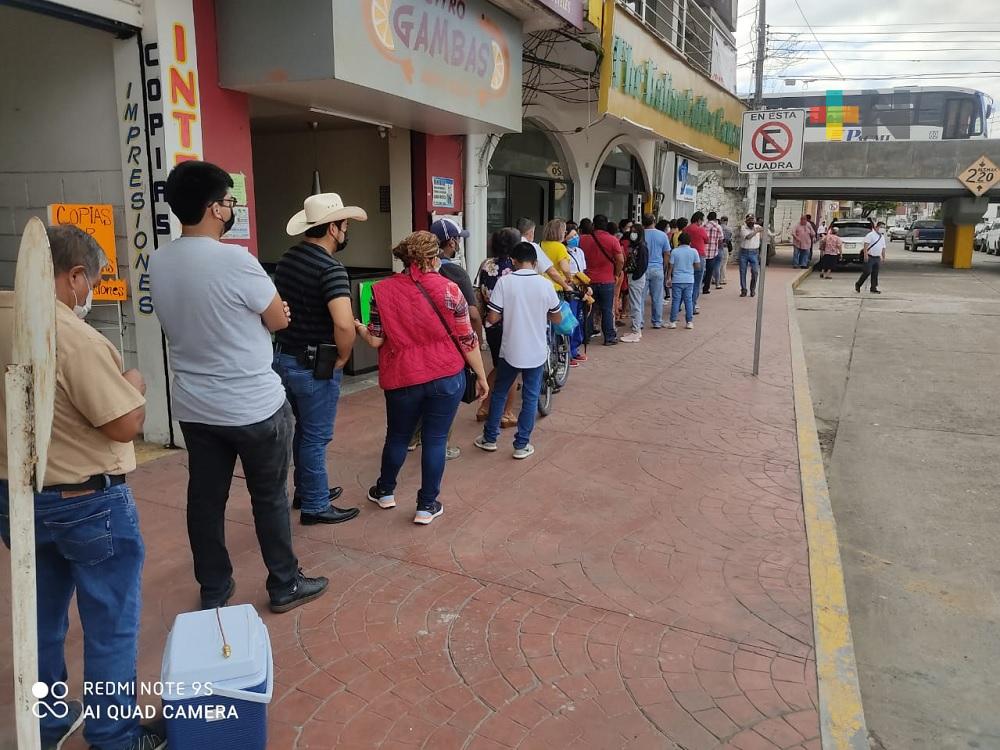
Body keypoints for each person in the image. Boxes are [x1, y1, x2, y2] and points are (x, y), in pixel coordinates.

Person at [0, 226, 164, 750]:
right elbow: (122, 423)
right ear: (74, 277)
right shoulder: (71, 335)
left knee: (41, 614)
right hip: (86, 501)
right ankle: (114, 735)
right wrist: (133, 384)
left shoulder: (4, 318)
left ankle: (48, 720)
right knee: (110, 621)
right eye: (90, 281)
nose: (89, 291)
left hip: (15, 499)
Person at [151, 160, 327, 614]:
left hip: (194, 405)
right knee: (268, 496)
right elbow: (278, 318)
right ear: (213, 208)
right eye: (229, 202)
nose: (231, 209)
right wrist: (271, 310)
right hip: (253, 404)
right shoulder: (235, 260)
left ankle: (214, 585)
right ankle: (284, 584)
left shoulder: (160, 260)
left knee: (205, 500)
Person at [356, 231, 488, 524]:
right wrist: (481, 376)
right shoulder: (451, 290)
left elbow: (376, 340)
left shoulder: (382, 291)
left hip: (402, 377)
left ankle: (385, 491)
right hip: (446, 374)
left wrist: (359, 327)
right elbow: (467, 339)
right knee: (436, 440)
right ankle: (426, 505)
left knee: (398, 437)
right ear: (432, 258)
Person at [274, 193, 363, 525]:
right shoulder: (331, 269)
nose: (346, 232)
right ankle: (314, 504)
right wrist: (345, 354)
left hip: (284, 358)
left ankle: (306, 489)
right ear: (333, 229)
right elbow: (342, 322)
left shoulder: (288, 259)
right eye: (344, 226)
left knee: (302, 431)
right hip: (316, 365)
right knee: (316, 436)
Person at [475, 242, 562, 459]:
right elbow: (557, 317)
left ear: (513, 261)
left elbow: (493, 318)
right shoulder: (545, 284)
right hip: (536, 351)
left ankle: (489, 439)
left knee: (500, 393)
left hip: (511, 350)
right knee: (531, 397)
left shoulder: (505, 282)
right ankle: (521, 445)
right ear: (535, 262)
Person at [408, 218, 483, 460]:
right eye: (458, 238)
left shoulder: (408, 272)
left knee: (420, 391)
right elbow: (472, 315)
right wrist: (477, 344)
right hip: (448, 348)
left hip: (415, 345)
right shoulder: (456, 273)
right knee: (445, 400)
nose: (459, 242)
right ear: (451, 241)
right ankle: (443, 446)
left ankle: (412, 438)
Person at [475, 228, 521, 425]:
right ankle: (507, 413)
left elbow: (478, 293)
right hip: (511, 324)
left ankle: (484, 407)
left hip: (491, 324)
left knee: (499, 366)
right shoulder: (516, 267)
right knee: (510, 369)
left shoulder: (486, 264)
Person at [579, 214, 625, 345]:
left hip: (588, 281)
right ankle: (609, 337)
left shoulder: (583, 240)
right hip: (607, 280)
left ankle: (585, 336)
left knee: (589, 309)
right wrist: (616, 274)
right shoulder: (612, 240)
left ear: (593, 225)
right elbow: (620, 260)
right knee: (606, 310)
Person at [516, 217, 570, 290]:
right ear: (531, 232)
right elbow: (551, 272)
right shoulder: (532, 247)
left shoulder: (539, 244)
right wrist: (566, 286)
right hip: (531, 287)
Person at [565, 224, 589, 365]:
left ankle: (575, 350)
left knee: (579, 319)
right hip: (571, 290)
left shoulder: (579, 252)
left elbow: (583, 272)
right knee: (571, 320)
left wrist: (587, 287)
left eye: (576, 235)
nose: (575, 238)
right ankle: (568, 353)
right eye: (571, 236)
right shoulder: (564, 253)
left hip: (581, 289)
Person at [621, 223, 649, 343]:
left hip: (636, 278)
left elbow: (643, 264)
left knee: (635, 305)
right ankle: (635, 328)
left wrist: (635, 276)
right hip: (633, 276)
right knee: (635, 303)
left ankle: (636, 330)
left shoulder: (641, 247)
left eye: (634, 231)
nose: (632, 233)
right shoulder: (636, 246)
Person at [667, 232, 701, 330]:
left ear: (679, 241)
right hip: (689, 279)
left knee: (676, 301)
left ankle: (673, 322)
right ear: (690, 242)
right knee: (688, 301)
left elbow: (671, 267)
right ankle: (689, 322)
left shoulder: (674, 251)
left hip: (677, 279)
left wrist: (668, 278)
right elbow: (698, 266)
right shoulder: (694, 251)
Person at [641, 213, 669, 329]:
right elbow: (667, 253)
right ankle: (657, 321)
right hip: (657, 268)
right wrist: (664, 267)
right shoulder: (662, 235)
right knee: (657, 297)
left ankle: (639, 322)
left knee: (640, 297)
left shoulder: (640, 234)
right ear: (654, 221)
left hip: (642, 269)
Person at [735, 214, 765, 297]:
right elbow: (748, 237)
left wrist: (762, 232)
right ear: (746, 221)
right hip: (744, 252)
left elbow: (763, 237)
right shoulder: (743, 228)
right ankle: (744, 289)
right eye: (749, 220)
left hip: (754, 252)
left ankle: (752, 289)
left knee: (755, 271)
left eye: (753, 219)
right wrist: (756, 231)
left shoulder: (758, 226)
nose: (751, 221)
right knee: (742, 272)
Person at [855, 221, 887, 294]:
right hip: (870, 257)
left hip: (877, 257)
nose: (882, 229)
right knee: (867, 271)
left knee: (875, 273)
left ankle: (873, 287)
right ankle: (858, 284)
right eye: (881, 227)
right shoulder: (871, 235)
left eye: (883, 228)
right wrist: (865, 255)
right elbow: (866, 245)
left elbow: (883, 248)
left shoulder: (882, 237)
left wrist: (883, 257)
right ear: (876, 227)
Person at [686, 211, 709, 312]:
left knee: (688, 281)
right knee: (697, 282)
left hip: (688, 255)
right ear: (699, 220)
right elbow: (707, 240)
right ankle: (692, 305)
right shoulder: (701, 229)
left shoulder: (686, 229)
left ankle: (685, 303)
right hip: (699, 255)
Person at [702, 211, 724, 296]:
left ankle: (700, 284)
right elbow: (721, 239)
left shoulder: (703, 226)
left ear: (707, 217)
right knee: (709, 271)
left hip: (703, 251)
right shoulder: (718, 227)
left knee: (702, 270)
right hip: (713, 251)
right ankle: (706, 288)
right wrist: (718, 247)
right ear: (715, 218)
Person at [716, 216, 732, 288]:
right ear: (727, 221)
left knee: (716, 263)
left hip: (717, 246)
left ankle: (715, 279)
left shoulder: (717, 227)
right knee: (724, 264)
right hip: (725, 246)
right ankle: (722, 279)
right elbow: (729, 240)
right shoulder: (729, 229)